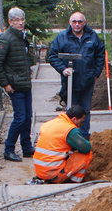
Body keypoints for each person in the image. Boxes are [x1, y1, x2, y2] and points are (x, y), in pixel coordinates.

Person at [48, 11, 105, 139]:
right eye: (74, 21)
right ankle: (71, 136)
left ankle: (84, 136)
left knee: (85, 109)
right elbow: (52, 56)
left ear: (84, 23)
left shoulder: (92, 37)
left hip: (87, 80)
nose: (77, 24)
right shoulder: (62, 37)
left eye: (80, 22)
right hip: (70, 82)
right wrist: (63, 69)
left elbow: (100, 55)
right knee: (72, 110)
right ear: (70, 23)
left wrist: (96, 73)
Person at [0, 6, 32, 162]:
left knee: (27, 117)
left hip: (25, 84)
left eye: (22, 19)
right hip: (15, 87)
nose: (20, 23)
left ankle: (27, 148)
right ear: (10, 21)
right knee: (20, 118)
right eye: (16, 20)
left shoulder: (21, 37)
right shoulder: (6, 39)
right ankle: (9, 149)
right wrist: (5, 84)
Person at [31, 104, 93, 183]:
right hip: (52, 174)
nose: (81, 125)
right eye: (81, 122)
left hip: (40, 171)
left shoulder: (50, 123)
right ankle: (73, 181)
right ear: (74, 119)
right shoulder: (69, 129)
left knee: (69, 153)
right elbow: (86, 148)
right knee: (87, 155)